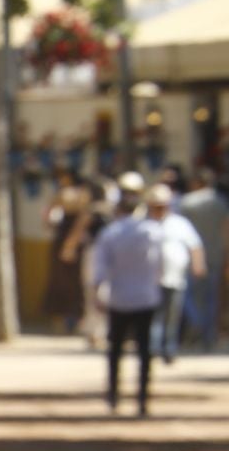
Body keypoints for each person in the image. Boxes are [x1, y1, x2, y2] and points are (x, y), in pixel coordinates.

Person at [90, 192, 165, 415]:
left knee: (115, 351)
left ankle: (113, 396)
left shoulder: (110, 233)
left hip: (119, 299)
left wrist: (97, 294)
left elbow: (100, 269)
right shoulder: (152, 232)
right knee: (144, 351)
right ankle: (143, 399)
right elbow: (160, 264)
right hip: (146, 298)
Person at [145, 183, 204, 364]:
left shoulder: (179, 223)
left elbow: (195, 245)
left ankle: (169, 349)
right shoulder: (144, 225)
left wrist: (198, 265)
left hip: (175, 277)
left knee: (172, 315)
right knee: (154, 316)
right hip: (150, 279)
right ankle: (152, 349)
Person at [42, 177, 100, 338]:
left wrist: (69, 245)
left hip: (70, 246)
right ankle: (69, 321)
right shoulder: (78, 199)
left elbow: (78, 225)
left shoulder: (71, 200)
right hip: (69, 245)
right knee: (68, 283)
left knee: (71, 284)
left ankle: (72, 321)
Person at [177, 169, 226, 351]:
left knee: (189, 296)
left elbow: (180, 230)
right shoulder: (220, 202)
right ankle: (209, 336)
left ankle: (197, 325)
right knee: (211, 298)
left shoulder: (187, 202)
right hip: (215, 254)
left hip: (191, 256)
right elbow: (226, 228)